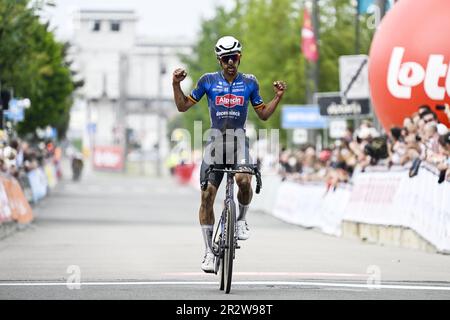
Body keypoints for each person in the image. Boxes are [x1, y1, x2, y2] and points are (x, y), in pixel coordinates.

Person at [172, 36, 287, 273]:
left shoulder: (250, 82)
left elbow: (263, 114)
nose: (230, 63)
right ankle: (207, 252)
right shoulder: (207, 81)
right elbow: (183, 106)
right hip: (215, 143)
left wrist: (277, 97)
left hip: (238, 142)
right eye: (225, 59)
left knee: (244, 179)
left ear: (240, 57)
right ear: (219, 59)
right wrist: (176, 84)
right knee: (206, 197)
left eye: (234, 58)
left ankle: (242, 219)